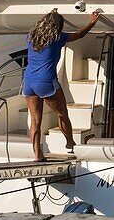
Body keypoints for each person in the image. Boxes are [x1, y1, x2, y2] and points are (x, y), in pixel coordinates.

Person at [24, 8, 101, 162]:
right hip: (46, 81)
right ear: (57, 27)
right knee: (61, 114)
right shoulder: (58, 37)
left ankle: (38, 156)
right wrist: (91, 23)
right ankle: (70, 142)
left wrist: (52, 14)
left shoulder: (31, 36)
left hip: (28, 81)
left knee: (35, 121)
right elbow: (80, 34)